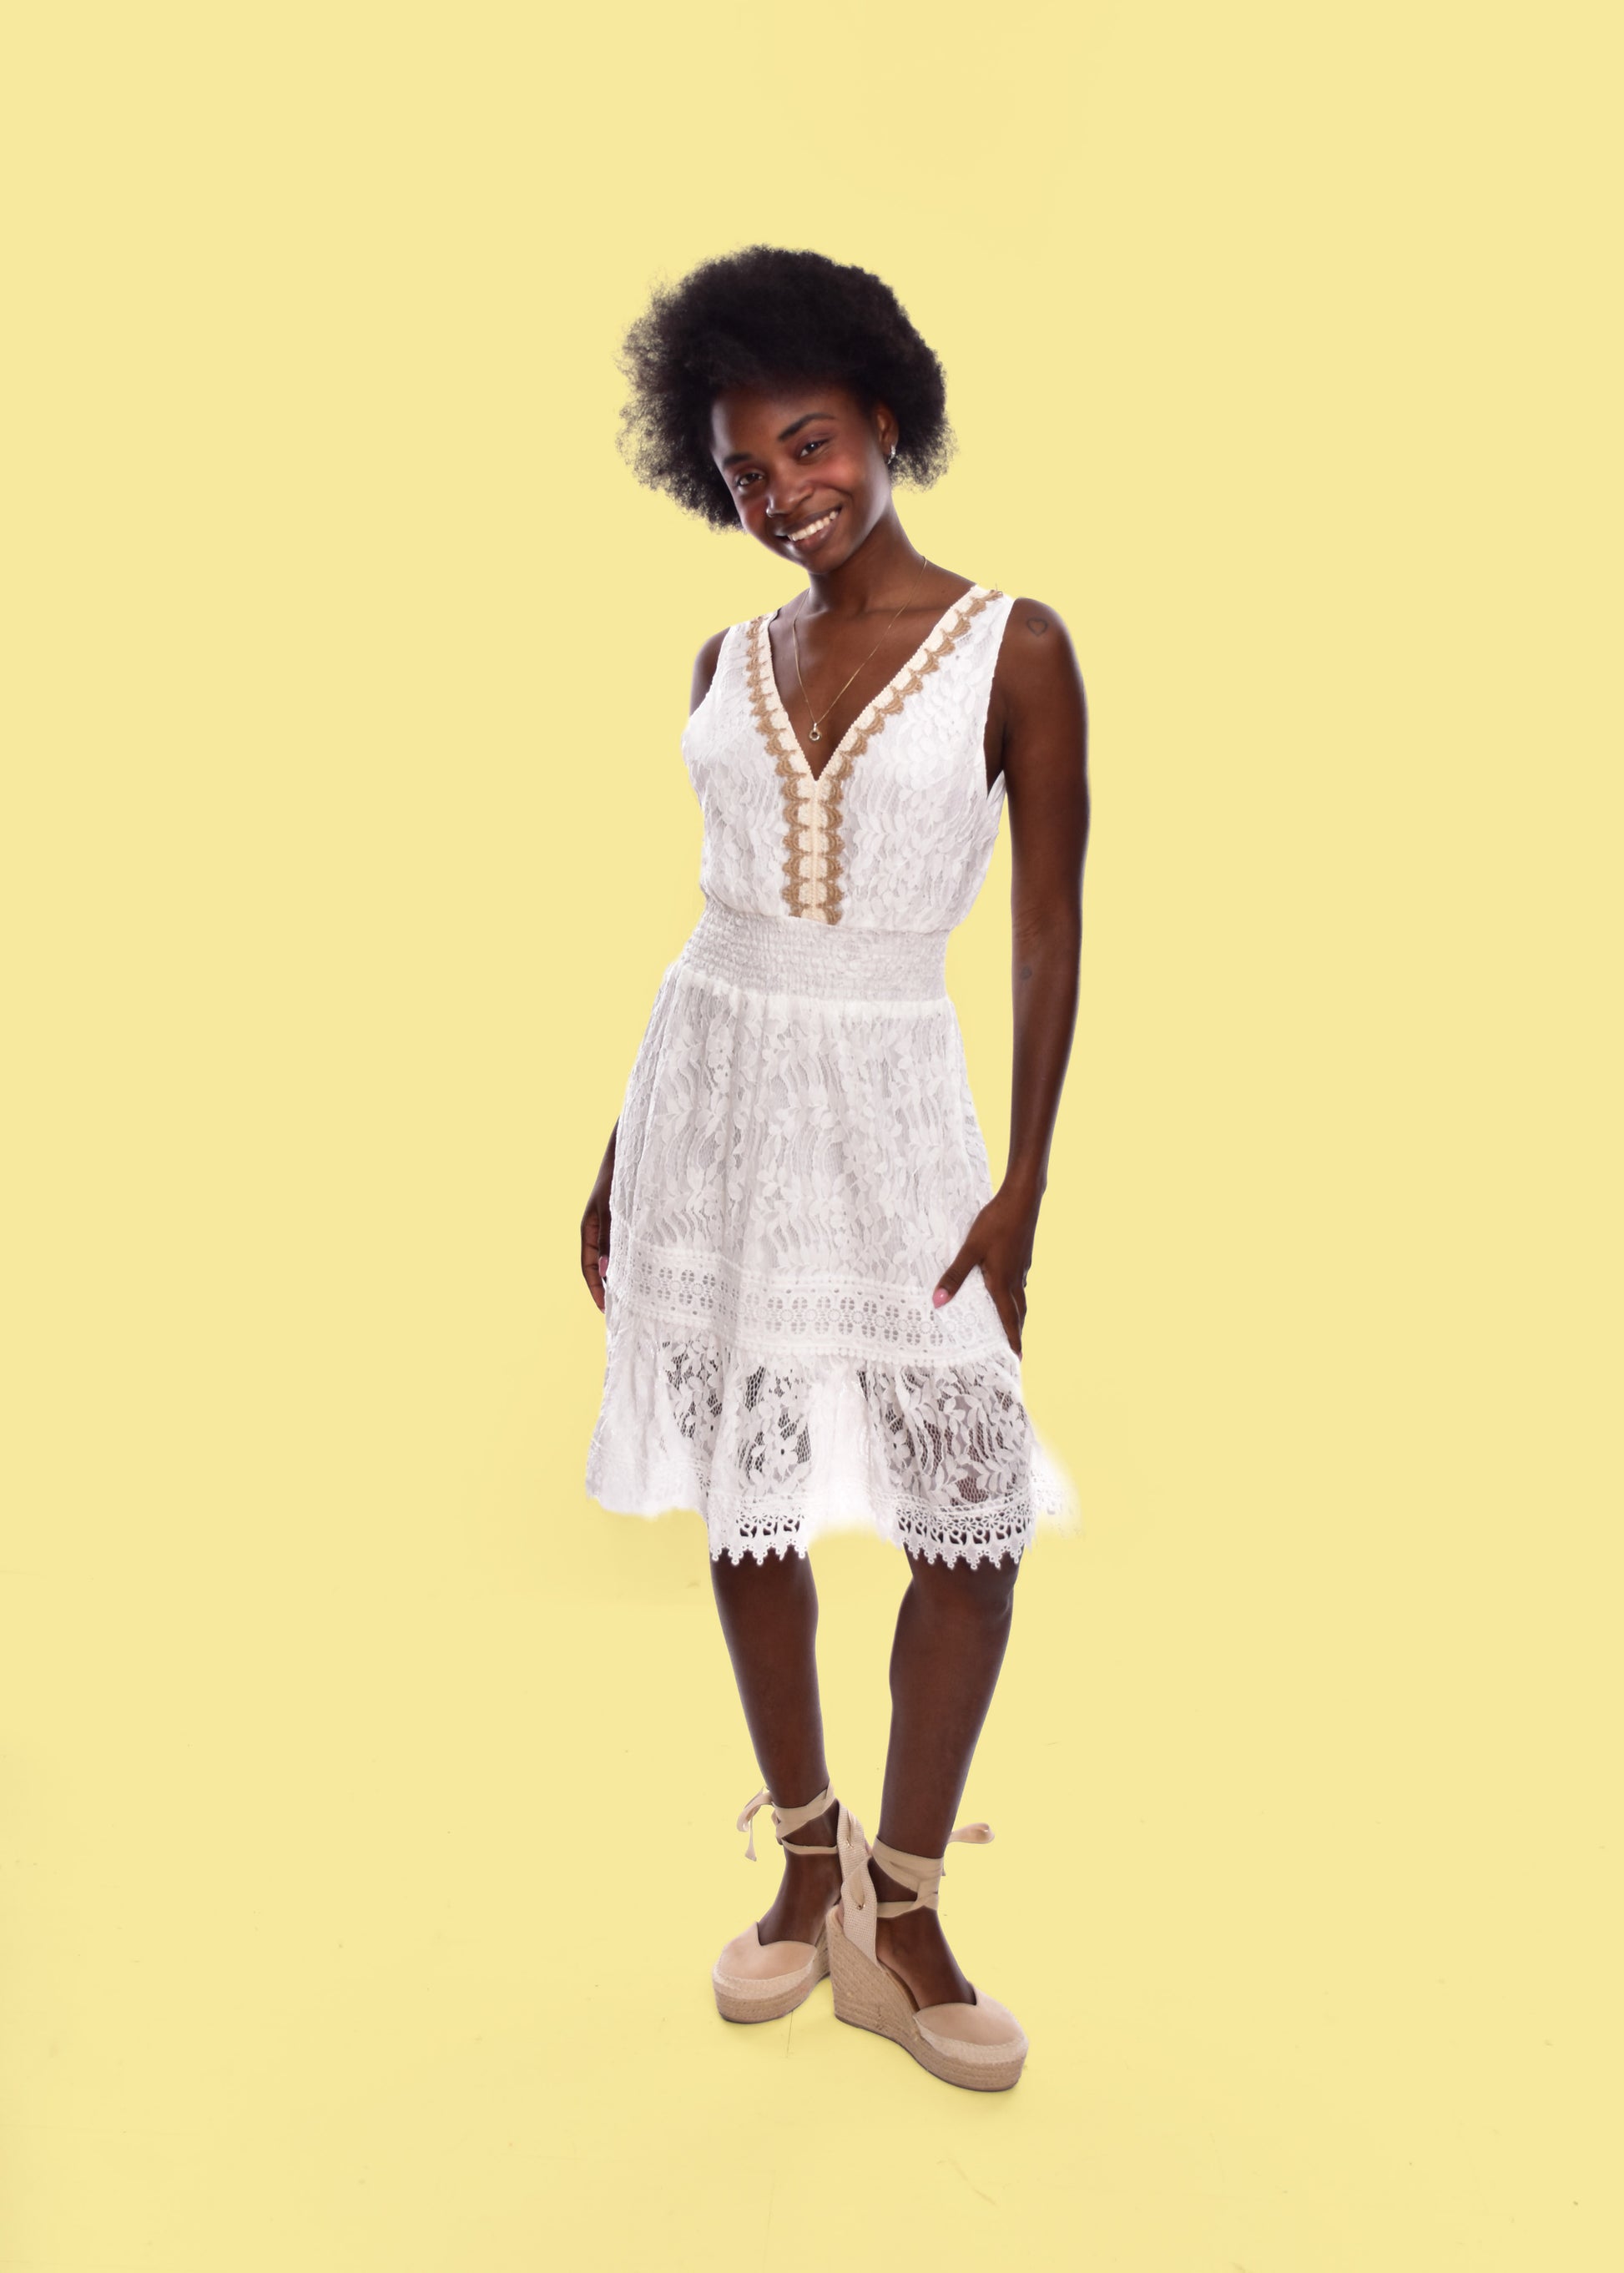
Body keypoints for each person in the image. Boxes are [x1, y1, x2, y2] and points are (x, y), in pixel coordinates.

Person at [580, 246, 1089, 2091]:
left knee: (970, 1529)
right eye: (742, 471)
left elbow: (1046, 932)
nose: (780, 492)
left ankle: (906, 1907)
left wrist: (1022, 1185)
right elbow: (711, 933)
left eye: (806, 445)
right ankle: (805, 1867)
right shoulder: (722, 665)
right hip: (712, 1112)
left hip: (896, 1117)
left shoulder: (1014, 647)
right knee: (752, 1505)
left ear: (884, 418)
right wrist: (618, 1158)